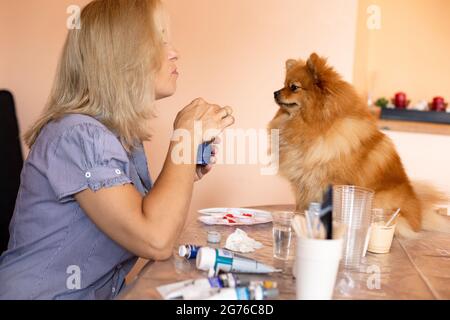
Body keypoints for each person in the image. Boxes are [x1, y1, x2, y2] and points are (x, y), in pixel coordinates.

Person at [0, 0, 234, 300]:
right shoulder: (78, 135)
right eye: (159, 40)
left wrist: (185, 172)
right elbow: (155, 239)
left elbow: (136, 217)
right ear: (120, 56)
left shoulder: (117, 138)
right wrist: (185, 139)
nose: (175, 51)